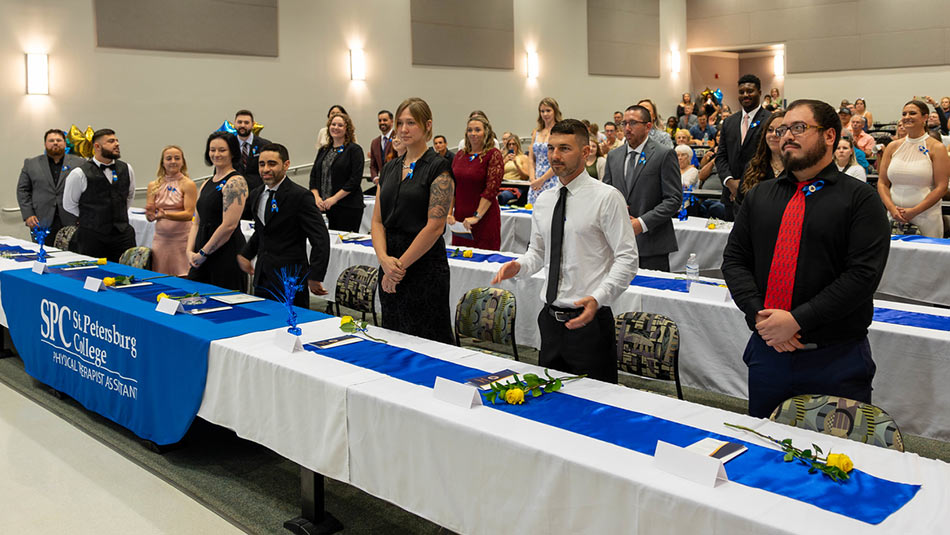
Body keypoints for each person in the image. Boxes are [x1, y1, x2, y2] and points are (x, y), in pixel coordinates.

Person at [721, 98, 891, 418]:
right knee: (765, 452)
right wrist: (761, 316)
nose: (787, 135)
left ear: (829, 136)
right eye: (783, 128)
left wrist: (797, 320)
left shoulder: (860, 200)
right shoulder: (760, 195)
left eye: (799, 128)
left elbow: (861, 277)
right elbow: (734, 260)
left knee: (834, 461)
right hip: (769, 352)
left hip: (835, 358)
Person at [492, 119, 638, 383]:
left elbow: (627, 259)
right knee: (550, 404)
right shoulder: (545, 200)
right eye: (551, 148)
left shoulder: (607, 198)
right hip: (549, 321)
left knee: (595, 409)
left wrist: (599, 297)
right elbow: (538, 252)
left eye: (564, 149)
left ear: (586, 152)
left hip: (589, 323)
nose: (554, 156)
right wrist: (519, 266)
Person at [372, 97, 455, 344]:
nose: (404, 129)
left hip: (423, 265)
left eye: (411, 123)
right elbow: (377, 221)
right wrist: (384, 261)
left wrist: (398, 268)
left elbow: (435, 226)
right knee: (394, 337)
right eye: (400, 123)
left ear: (427, 126)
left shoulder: (439, 167)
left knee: (427, 340)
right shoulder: (389, 168)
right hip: (390, 262)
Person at [238, 143, 330, 307]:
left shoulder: (300, 196)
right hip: (263, 276)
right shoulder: (256, 194)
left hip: (291, 278)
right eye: (262, 164)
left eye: (272, 164)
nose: (266, 169)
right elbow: (262, 231)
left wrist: (315, 275)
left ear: (286, 165)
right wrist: (245, 254)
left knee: (292, 325)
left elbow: (320, 238)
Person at [602, 105, 682, 271]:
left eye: (633, 123)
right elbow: (606, 193)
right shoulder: (613, 156)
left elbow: (673, 199)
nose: (627, 128)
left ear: (648, 126)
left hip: (652, 244)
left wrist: (642, 223)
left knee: (651, 296)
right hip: (618, 244)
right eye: (624, 123)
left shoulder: (664, 154)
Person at [877, 100, 949, 238]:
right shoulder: (893, 146)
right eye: (904, 113)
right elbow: (882, 182)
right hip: (894, 217)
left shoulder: (936, 148)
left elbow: (942, 187)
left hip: (926, 217)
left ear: (925, 117)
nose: (907, 116)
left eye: (912, 113)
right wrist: (891, 208)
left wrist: (914, 211)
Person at [186, 131, 248, 291]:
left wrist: (203, 253)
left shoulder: (236, 182)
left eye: (222, 150)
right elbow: (196, 222)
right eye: (212, 150)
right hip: (201, 252)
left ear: (232, 152)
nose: (216, 154)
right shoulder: (206, 183)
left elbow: (229, 226)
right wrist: (189, 251)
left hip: (225, 253)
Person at [62, 129, 136, 261]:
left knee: (127, 275)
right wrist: (91, 216)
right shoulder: (79, 173)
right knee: (94, 274)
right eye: (111, 141)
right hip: (92, 235)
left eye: (117, 140)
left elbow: (129, 197)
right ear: (97, 146)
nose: (117, 144)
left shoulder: (127, 169)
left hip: (122, 234)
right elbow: (69, 204)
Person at [715, 74, 771, 219]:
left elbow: (770, 157)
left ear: (759, 92)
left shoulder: (770, 120)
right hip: (730, 195)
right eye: (742, 92)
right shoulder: (729, 122)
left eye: (750, 91)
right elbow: (721, 157)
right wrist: (730, 182)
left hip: (758, 193)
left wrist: (744, 186)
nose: (745, 95)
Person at [17, 129, 85, 245]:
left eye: (59, 140)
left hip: (72, 220)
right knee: (44, 255)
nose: (55, 143)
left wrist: (84, 215)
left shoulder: (80, 163)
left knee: (73, 254)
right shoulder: (31, 164)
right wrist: (28, 215)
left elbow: (86, 190)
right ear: (45, 144)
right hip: (40, 220)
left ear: (64, 143)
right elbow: (23, 190)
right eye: (51, 140)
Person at [448, 114, 502, 250]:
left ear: (486, 132)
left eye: (477, 130)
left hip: (483, 218)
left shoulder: (493, 154)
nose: (473, 134)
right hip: (460, 220)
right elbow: (452, 187)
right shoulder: (460, 155)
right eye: (470, 130)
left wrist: (476, 216)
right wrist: (449, 213)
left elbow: (491, 190)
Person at [309, 112, 365, 232]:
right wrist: (316, 197)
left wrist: (334, 199)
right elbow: (314, 176)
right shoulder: (323, 150)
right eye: (333, 124)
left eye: (340, 125)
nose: (336, 127)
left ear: (347, 129)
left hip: (347, 207)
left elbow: (354, 180)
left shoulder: (354, 150)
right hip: (323, 206)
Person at [145, 146, 197, 276]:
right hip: (161, 239)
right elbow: (150, 215)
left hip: (182, 239)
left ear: (182, 162)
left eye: (177, 158)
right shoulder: (153, 185)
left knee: (183, 275)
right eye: (168, 158)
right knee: (160, 275)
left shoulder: (188, 184)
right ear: (162, 162)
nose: (173, 161)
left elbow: (189, 214)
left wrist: (165, 214)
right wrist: (150, 215)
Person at [740, 110, 786, 196]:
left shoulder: (798, 170)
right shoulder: (753, 166)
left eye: (780, 130)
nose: (773, 134)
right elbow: (740, 202)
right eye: (770, 130)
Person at [528, 97, 563, 204]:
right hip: (536, 180)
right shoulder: (536, 132)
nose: (545, 114)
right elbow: (531, 159)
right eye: (542, 111)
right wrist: (533, 179)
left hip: (552, 178)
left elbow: (559, 159)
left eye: (548, 110)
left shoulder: (559, 131)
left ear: (555, 111)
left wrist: (542, 180)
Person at [233, 109, 270, 193]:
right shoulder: (228, 145)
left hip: (258, 192)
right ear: (235, 124)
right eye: (239, 122)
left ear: (253, 124)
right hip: (235, 192)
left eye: (246, 123)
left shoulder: (264, 145)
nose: (242, 125)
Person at [369, 109, 394, 184]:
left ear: (392, 121)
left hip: (396, 182)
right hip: (381, 183)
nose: (382, 122)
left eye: (385, 120)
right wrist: (375, 178)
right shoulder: (375, 142)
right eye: (380, 120)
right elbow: (373, 165)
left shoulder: (399, 138)